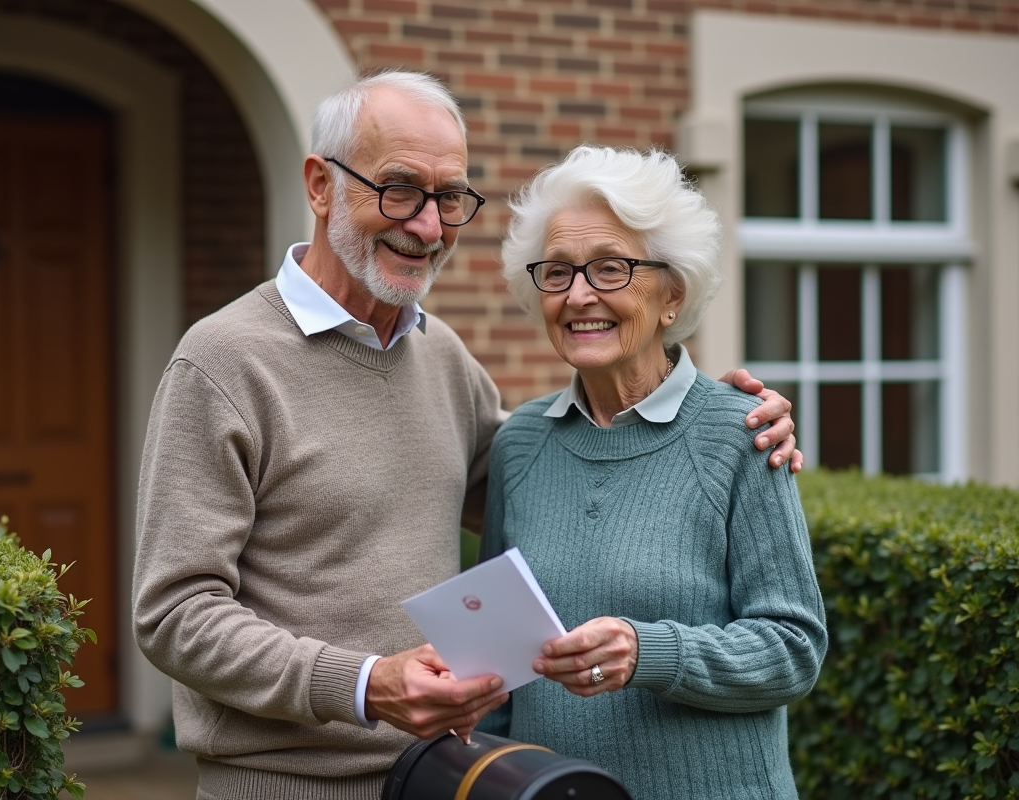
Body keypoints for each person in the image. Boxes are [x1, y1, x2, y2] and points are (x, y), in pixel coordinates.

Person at [132, 71, 801, 800]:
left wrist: (731, 422)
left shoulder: (443, 357)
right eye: (398, 188)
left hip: (447, 778)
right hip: (288, 784)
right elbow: (174, 614)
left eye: (448, 197)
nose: (426, 225)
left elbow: (572, 475)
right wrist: (362, 684)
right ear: (320, 187)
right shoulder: (223, 360)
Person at [479, 144, 828, 799]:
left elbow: (793, 649)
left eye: (610, 268)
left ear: (672, 294)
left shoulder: (739, 432)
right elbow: (501, 662)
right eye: (557, 272)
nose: (580, 295)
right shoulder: (520, 444)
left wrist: (649, 653)